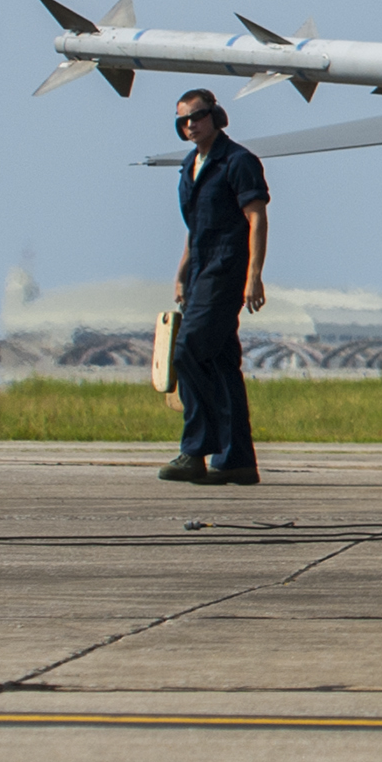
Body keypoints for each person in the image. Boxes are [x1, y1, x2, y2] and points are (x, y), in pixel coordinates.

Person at [163, 88, 267, 485]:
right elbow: (195, 229)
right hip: (201, 267)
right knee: (222, 364)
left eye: (198, 116)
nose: (191, 124)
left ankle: (195, 449)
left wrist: (253, 275)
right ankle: (237, 459)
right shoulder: (190, 165)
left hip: (227, 268)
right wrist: (182, 272)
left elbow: (256, 218)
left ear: (216, 116)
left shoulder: (237, 162)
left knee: (188, 349)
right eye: (183, 120)